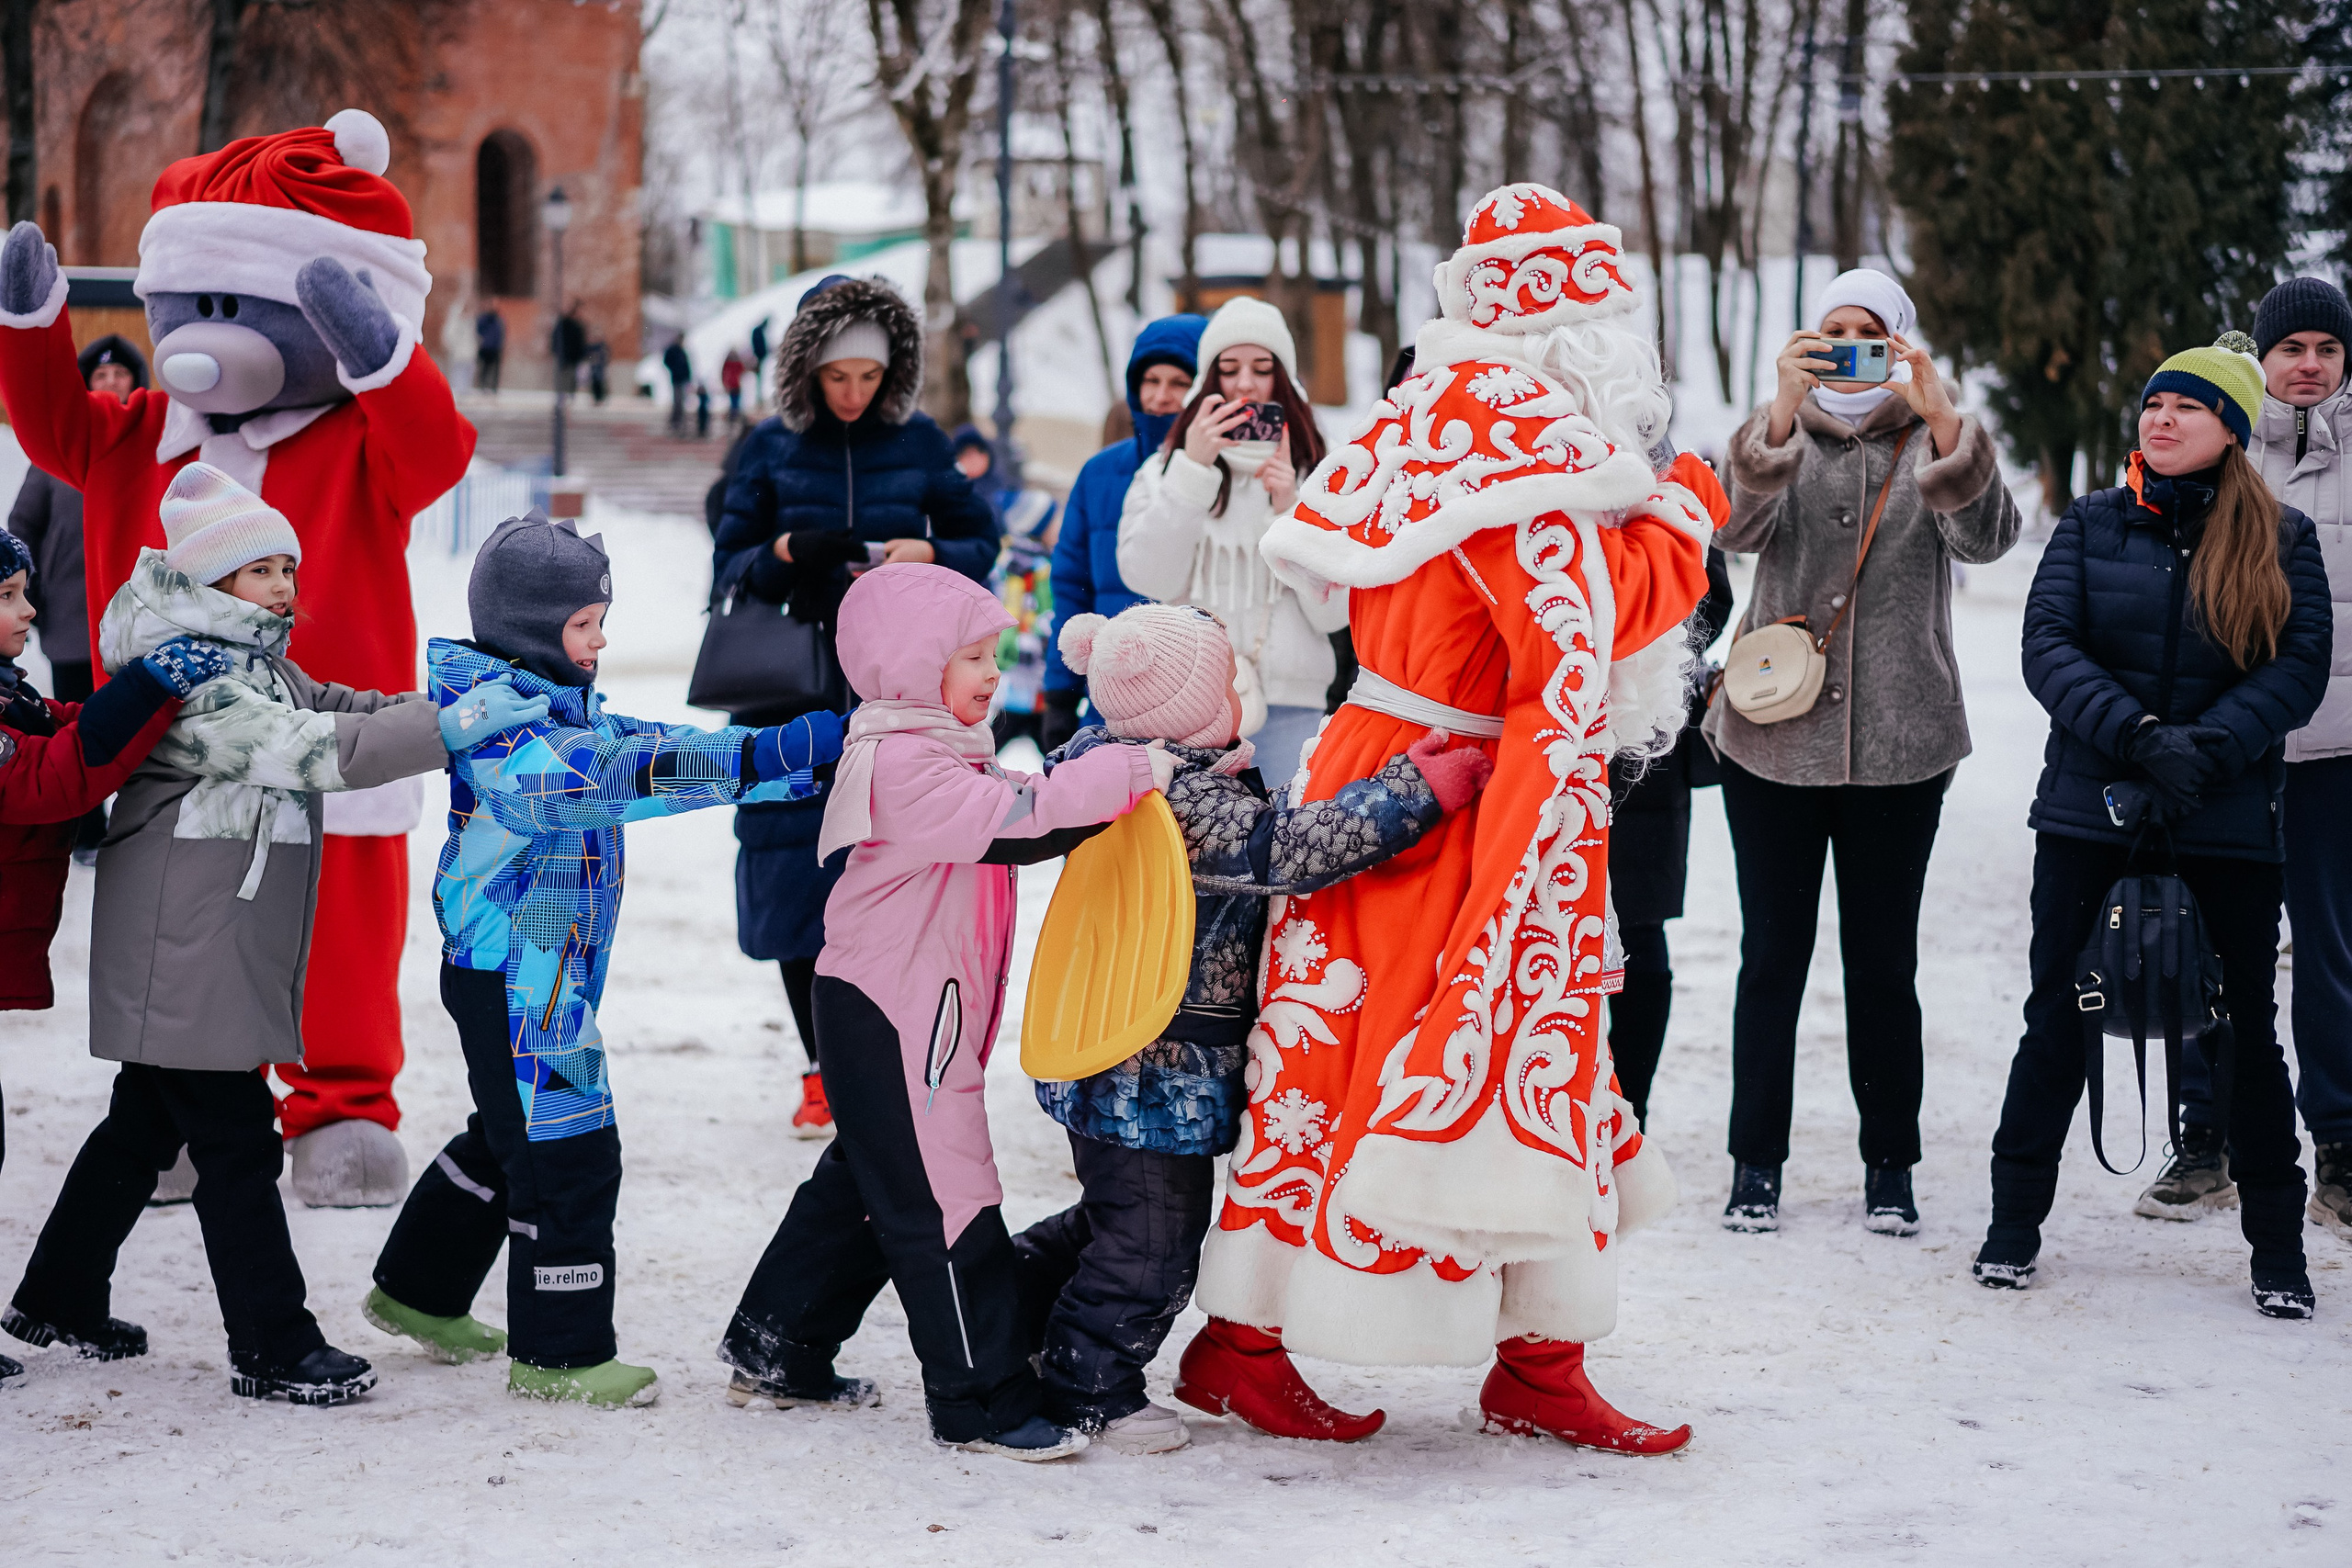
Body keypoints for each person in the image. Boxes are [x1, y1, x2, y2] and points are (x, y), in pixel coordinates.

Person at [1185, 184, 1713, 1451]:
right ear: (1580, 325)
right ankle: (1285, 1346)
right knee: (1461, 1044)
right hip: (1467, 785)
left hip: (1390, 756)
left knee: (1338, 1054)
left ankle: (1281, 1338)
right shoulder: (1526, 429)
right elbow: (1573, 628)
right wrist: (1686, 514)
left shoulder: (1429, 406)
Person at [5, 464, 511, 1404]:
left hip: (203, 939)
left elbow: (342, 711)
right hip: (181, 943)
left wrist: (445, 714)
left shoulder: (254, 660)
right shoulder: (198, 686)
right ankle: (273, 1341)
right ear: (210, 584)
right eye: (261, 571)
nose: (284, 586)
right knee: (239, 1144)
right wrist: (459, 732)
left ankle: (58, 1294)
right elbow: (314, 753)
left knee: (140, 1127)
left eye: (288, 567)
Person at [364, 513, 843, 1407]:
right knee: (569, 1154)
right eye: (585, 623)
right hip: (517, 982)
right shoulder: (509, 735)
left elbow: (645, 745)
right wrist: (771, 751)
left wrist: (787, 764)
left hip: (532, 974)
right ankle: (561, 1354)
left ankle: (416, 1290)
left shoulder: (544, 701)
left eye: (600, 619)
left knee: (511, 1140)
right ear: (533, 630)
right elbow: (612, 777)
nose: (601, 638)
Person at [715, 562, 1170, 1461]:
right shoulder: (903, 761)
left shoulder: (933, 745)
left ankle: (778, 1345)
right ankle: (983, 1400)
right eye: (971, 655)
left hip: (905, 1005)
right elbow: (1021, 820)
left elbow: (1026, 810)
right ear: (911, 664)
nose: (992, 672)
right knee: (942, 1193)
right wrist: (1129, 770)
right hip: (895, 1012)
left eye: (994, 653)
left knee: (870, 1180)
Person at [1012, 604, 1491, 1452]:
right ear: (1191, 711)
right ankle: (1091, 1384)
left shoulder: (1109, 761)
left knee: (1119, 1218)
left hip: (1122, 1041)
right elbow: (1283, 850)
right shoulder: (1182, 793)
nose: (1242, 691)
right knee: (1154, 1242)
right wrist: (1414, 791)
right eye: (1227, 682)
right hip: (1155, 1060)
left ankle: (1001, 1302)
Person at [1977, 346, 2330, 1319]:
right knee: (2056, 1015)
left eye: (2188, 407)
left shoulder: (2284, 539)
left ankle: (2276, 1251)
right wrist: (2135, 736)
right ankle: (2012, 1225)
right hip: (2091, 808)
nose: (2162, 420)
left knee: (2247, 1036)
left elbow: (2298, 670)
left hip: (2224, 822)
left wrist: (2206, 748)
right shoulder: (2090, 525)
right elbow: (2047, 645)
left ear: (2231, 428)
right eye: (2154, 404)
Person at [1706, 267, 2022, 1235]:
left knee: (1883, 963)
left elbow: (1986, 543)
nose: (1848, 348)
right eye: (1831, 331)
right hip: (1772, 739)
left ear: (1902, 345)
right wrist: (1776, 416)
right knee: (1772, 957)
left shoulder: (1934, 436)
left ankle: (1891, 1162)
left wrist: (1944, 428)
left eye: (1868, 334)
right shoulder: (1775, 435)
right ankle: (1755, 1161)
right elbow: (1727, 530)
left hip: (1902, 741)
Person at [710, 275, 999, 1137]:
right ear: (807, 370)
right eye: (838, 376)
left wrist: (926, 549)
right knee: (796, 877)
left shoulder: (918, 445)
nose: (854, 393)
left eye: (870, 377)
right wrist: (788, 549)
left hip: (900, 697)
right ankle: (818, 1067)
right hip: (788, 695)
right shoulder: (766, 447)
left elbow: (980, 540)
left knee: (895, 872)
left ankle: (893, 1057)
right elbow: (728, 562)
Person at [2138, 284, 2352, 1235]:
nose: (2308, 363)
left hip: (2337, 748)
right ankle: (2204, 1137)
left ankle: (2340, 1146)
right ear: (2260, 358)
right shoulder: (2218, 447)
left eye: (2327, 349)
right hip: (2227, 752)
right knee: (2213, 947)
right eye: (2291, 347)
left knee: (2332, 955)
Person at [1, 519, 216, 1383]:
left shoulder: (7, 692)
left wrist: (149, 688)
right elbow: (53, 779)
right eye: (8, 598)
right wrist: (155, 682)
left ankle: (61, 1294)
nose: (30, 609)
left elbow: (70, 727)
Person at [1115, 298, 1343, 788]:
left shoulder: (1321, 478)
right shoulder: (1164, 472)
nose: (1244, 383)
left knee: (1287, 853)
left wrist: (1290, 507)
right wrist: (1192, 471)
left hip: (1288, 702)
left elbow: (1335, 613)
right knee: (1196, 859)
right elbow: (1147, 578)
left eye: (1261, 369)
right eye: (1229, 368)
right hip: (1185, 703)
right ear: (1208, 381)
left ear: (1282, 380)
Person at [1608, 542, 1735, 1125]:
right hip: (1534, 720)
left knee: (1639, 944)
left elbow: (1712, 603)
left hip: (1644, 727)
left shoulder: (1663, 482)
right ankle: (1552, 1106)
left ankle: (1628, 1111)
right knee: (1540, 940)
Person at [10, 334, 147, 861]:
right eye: (100, 376)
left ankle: (140, 825)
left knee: (141, 724)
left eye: (121, 375)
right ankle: (89, 830)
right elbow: (22, 526)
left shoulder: (154, 452)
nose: (111, 384)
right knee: (81, 729)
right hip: (71, 620)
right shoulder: (55, 458)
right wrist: (34, 592)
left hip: (141, 624)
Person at [1043, 314, 1204, 752]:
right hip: (1114, 700)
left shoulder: (1223, 475)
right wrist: (1060, 694)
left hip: (1200, 701)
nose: (1160, 396)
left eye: (1178, 382)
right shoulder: (1099, 474)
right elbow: (1072, 586)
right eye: (1150, 380)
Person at [553, 299, 588, 394]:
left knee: (571, 379)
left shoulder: (578, 325)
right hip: (567, 357)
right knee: (565, 378)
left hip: (573, 358)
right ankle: (563, 397)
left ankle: (567, 396)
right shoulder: (566, 325)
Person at [663, 335, 693, 436]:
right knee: (678, 400)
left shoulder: (682, 351)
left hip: (682, 379)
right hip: (677, 379)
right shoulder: (674, 351)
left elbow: (687, 366)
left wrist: (688, 377)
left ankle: (679, 421)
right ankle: (675, 421)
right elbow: (667, 361)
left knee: (681, 401)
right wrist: (674, 369)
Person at [475, 306, 505, 393]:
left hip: (495, 349)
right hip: (485, 348)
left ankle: (493, 387)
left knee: (495, 370)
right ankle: (482, 386)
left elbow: (501, 334)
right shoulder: (484, 319)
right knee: (485, 368)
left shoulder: (499, 320)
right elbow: (479, 331)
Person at [720, 347, 747, 432]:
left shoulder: (734, 363)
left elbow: (743, 370)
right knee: (734, 401)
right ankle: (734, 415)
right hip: (733, 385)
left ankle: (734, 415)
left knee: (735, 401)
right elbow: (743, 370)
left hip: (735, 385)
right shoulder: (730, 364)